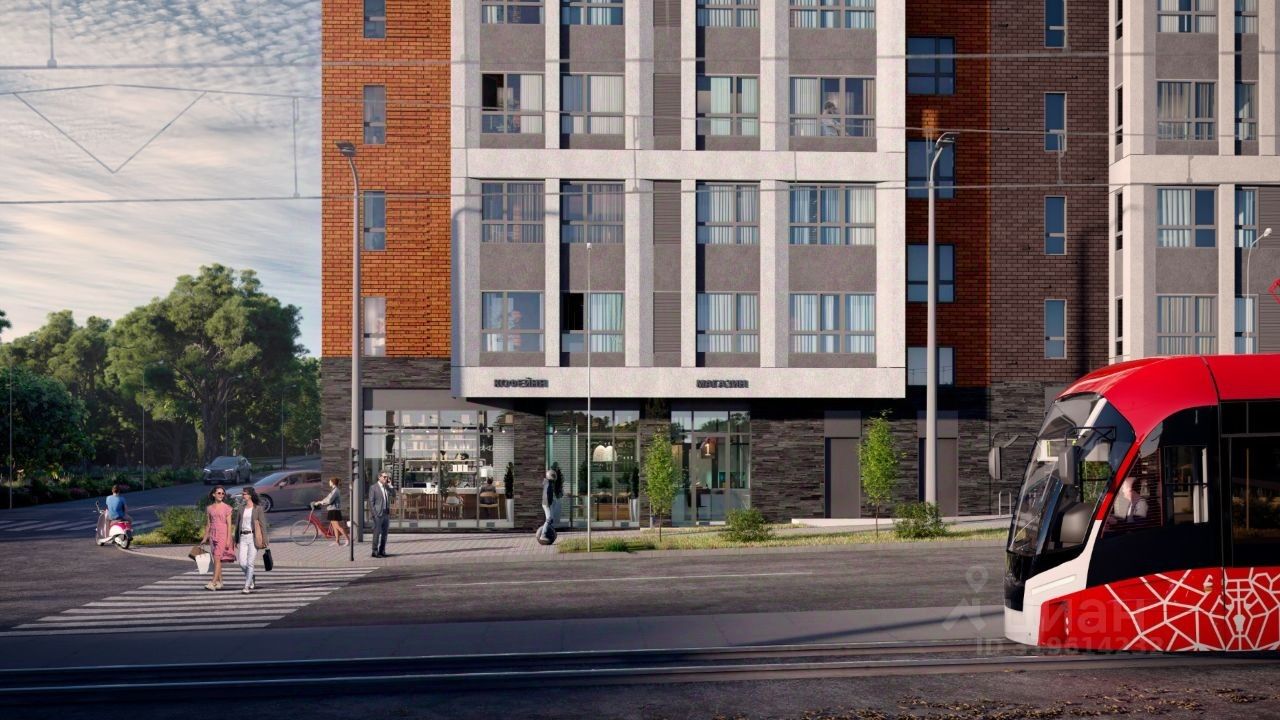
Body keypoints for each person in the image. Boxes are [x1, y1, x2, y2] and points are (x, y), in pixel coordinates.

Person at [231, 486, 270, 594]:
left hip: (253, 538)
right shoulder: (241, 508)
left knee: (250, 563)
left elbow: (262, 525)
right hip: (243, 537)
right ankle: (251, 576)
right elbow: (237, 524)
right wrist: (236, 539)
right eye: (243, 494)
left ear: (250, 495)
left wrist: (265, 539)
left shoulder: (258, 508)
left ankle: (247, 586)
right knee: (242, 563)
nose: (243, 495)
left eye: (244, 494)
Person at [199, 486, 234, 591]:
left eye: (223, 493)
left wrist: (228, 539)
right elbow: (208, 524)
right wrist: (205, 537)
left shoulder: (227, 508)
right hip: (213, 535)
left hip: (223, 534)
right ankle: (220, 582)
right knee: (216, 560)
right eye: (219, 493)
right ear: (214, 494)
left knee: (218, 558)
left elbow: (229, 525)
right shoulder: (209, 508)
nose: (221, 495)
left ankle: (213, 582)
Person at [312, 477, 350, 547]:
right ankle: (337, 541)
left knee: (338, 526)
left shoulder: (335, 490)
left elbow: (329, 500)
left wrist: (320, 502)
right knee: (334, 526)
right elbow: (327, 498)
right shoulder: (333, 490)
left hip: (334, 510)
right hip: (332, 510)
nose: (329, 482)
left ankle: (347, 539)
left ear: (333, 482)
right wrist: (320, 502)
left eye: (330, 481)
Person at [370, 471, 396, 558]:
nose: (386, 479)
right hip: (378, 514)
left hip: (386, 513)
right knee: (377, 533)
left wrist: (390, 485)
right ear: (379, 477)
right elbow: (371, 502)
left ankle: (382, 551)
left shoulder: (387, 487)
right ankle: (374, 551)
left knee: (385, 534)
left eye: (387, 477)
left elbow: (394, 495)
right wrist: (374, 514)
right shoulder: (374, 487)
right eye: (384, 477)